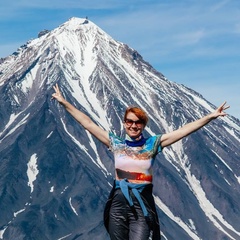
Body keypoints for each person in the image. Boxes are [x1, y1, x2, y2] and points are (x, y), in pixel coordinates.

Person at [52, 83, 229, 240]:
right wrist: (64, 102)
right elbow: (88, 124)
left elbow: (183, 131)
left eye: (138, 122)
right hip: (118, 204)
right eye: (130, 121)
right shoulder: (116, 143)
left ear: (143, 125)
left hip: (141, 204)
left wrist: (210, 117)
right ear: (124, 123)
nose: (133, 126)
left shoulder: (152, 144)